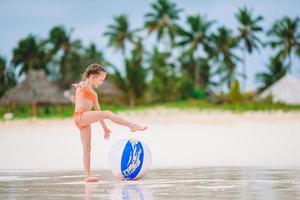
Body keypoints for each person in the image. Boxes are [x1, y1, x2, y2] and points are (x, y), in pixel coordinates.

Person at [72, 63, 147, 182]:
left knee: (87, 149)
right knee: (108, 113)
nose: (101, 82)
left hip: (85, 120)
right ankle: (131, 125)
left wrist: (104, 127)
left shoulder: (94, 94)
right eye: (100, 79)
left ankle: (87, 176)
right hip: (80, 116)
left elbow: (98, 112)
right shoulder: (84, 86)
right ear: (92, 76)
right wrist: (80, 85)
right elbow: (82, 85)